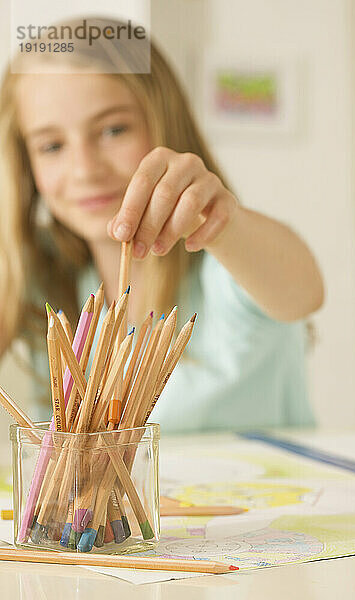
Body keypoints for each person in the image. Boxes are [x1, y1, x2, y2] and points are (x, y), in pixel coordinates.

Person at [0, 17, 324, 432]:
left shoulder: (221, 260)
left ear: (165, 122)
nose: (84, 169)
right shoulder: (40, 272)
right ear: (24, 165)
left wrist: (223, 224)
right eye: (52, 146)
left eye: (114, 129)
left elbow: (304, 292)